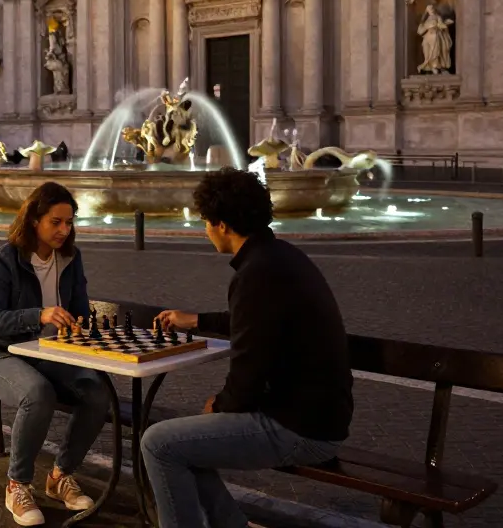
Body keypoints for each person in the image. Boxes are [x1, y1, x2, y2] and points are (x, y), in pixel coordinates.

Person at [142, 168, 353, 528]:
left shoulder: (256, 274)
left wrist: (222, 406)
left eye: (206, 221)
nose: (205, 230)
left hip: (301, 427)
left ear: (222, 224)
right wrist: (196, 320)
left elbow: (248, 370)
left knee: (158, 443)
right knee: (186, 444)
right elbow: (253, 320)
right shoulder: (278, 257)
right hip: (320, 415)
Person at [0, 182, 109, 526]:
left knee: (96, 394)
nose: (64, 230)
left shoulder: (71, 258)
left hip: (51, 353)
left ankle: (59, 477)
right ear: (34, 219)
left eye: (69, 222)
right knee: (37, 394)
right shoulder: (4, 261)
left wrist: (78, 324)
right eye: (56, 222)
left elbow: (80, 309)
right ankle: (17, 484)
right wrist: (39, 314)